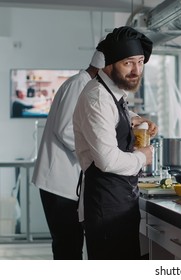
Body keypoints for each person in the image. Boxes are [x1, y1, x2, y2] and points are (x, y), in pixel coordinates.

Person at [73, 26, 157, 260]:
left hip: (119, 202)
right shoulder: (97, 97)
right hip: (106, 208)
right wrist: (144, 156)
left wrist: (134, 119)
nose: (136, 70)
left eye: (140, 62)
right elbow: (107, 160)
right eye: (128, 63)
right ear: (108, 65)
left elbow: (112, 117)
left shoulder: (113, 93)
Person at [31, 50, 105, 259]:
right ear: (102, 69)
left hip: (67, 183)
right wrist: (97, 154)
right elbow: (65, 129)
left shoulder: (85, 85)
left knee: (70, 245)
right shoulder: (78, 85)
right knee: (67, 246)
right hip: (58, 184)